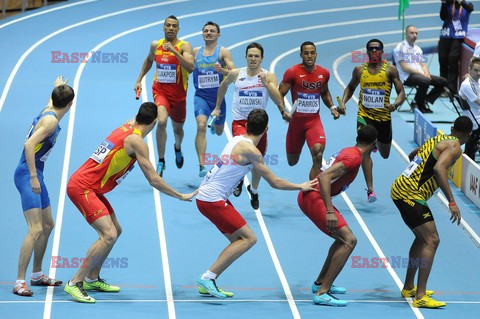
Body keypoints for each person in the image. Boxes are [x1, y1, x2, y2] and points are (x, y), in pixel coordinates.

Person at [64, 102, 197, 303]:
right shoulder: (137, 142)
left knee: (116, 230)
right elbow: (153, 179)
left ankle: (92, 278)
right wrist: (180, 195)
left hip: (92, 187)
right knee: (108, 235)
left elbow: (130, 123)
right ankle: (75, 282)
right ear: (153, 123)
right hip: (83, 187)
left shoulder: (125, 128)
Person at [195, 109, 316, 299]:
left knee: (238, 241)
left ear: (246, 125)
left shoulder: (237, 139)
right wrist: (301, 185)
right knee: (249, 239)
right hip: (213, 200)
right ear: (266, 129)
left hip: (207, 197)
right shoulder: (252, 151)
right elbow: (275, 182)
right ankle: (207, 278)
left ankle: (209, 279)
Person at [391, 116, 472, 308]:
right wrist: (452, 201)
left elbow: (413, 155)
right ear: (469, 135)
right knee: (432, 240)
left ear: (452, 128)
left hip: (402, 188)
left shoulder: (438, 138)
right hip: (409, 193)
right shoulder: (455, 148)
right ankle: (420, 297)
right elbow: (439, 169)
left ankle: (409, 287)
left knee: (422, 239)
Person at [298, 125, 378, 306]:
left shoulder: (352, 151)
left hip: (313, 196)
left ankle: (320, 282)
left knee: (341, 239)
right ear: (374, 144)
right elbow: (324, 177)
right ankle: (322, 292)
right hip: (314, 198)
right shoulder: (353, 157)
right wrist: (329, 211)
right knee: (350, 240)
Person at [13, 76, 74, 296]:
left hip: (36, 173)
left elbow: (52, 99)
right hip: (27, 174)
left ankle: (37, 275)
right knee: (35, 229)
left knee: (48, 225)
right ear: (70, 104)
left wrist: (56, 87)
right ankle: (19, 281)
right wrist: (32, 177)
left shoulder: (50, 108)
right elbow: (29, 145)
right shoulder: (51, 122)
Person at [211, 42, 288, 210]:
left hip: (260, 124)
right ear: (245, 57)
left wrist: (266, 84)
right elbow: (223, 87)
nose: (253, 59)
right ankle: (238, 179)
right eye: (250, 55)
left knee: (256, 163)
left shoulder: (269, 76)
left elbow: (277, 99)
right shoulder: (235, 74)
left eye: (256, 56)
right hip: (240, 122)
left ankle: (253, 189)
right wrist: (217, 107)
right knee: (244, 152)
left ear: (262, 58)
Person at [341, 39, 405, 202]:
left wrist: (396, 104)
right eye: (371, 49)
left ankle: (376, 143)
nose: (374, 51)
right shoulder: (359, 70)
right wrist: (343, 102)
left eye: (377, 49)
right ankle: (371, 190)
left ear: (382, 52)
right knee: (364, 152)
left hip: (383, 118)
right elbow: (350, 87)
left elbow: (401, 92)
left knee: (385, 154)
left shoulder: (390, 70)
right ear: (367, 51)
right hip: (365, 116)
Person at [134, 15, 194, 177]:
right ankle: (161, 160)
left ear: (178, 29)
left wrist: (175, 52)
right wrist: (139, 79)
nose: (170, 28)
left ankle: (177, 147)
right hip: (160, 92)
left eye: (174, 26)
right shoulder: (156, 45)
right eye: (168, 25)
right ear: (163, 27)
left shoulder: (184, 46)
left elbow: (190, 68)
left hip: (179, 96)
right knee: (161, 121)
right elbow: (148, 61)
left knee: (178, 130)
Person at [279, 41, 340, 180]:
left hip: (313, 121)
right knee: (292, 161)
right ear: (301, 55)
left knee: (318, 154)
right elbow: (280, 93)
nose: (309, 56)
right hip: (296, 124)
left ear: (316, 54)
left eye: (312, 53)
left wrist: (332, 107)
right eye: (306, 53)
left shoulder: (323, 73)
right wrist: (283, 112)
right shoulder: (292, 72)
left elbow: (324, 92)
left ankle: (313, 191)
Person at [193, 21, 235, 177]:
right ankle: (201, 165)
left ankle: (214, 125)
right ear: (202, 33)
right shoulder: (196, 52)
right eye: (206, 30)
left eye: (212, 31)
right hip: (201, 97)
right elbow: (187, 68)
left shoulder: (223, 52)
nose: (208, 33)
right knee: (201, 125)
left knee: (218, 132)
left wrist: (221, 70)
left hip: (218, 99)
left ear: (218, 34)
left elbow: (234, 74)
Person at [394, 25, 449, 113]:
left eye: (416, 33)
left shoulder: (417, 49)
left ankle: (423, 100)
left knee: (443, 81)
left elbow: (423, 65)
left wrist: (426, 73)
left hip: (420, 75)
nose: (414, 35)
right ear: (406, 34)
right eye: (412, 33)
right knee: (425, 81)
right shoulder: (400, 48)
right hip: (406, 77)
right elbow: (405, 68)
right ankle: (419, 102)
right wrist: (423, 75)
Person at [439, 0, 474, 94]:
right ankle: (441, 87)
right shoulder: (448, 4)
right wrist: (443, 4)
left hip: (458, 36)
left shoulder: (467, 4)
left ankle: (451, 89)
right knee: (443, 60)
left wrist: (461, 1)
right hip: (445, 35)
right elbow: (443, 17)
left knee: (452, 60)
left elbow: (470, 9)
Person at [459, 57, 480, 159]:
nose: (479, 73)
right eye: (476, 70)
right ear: (469, 69)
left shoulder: (477, 81)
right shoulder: (467, 85)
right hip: (475, 119)